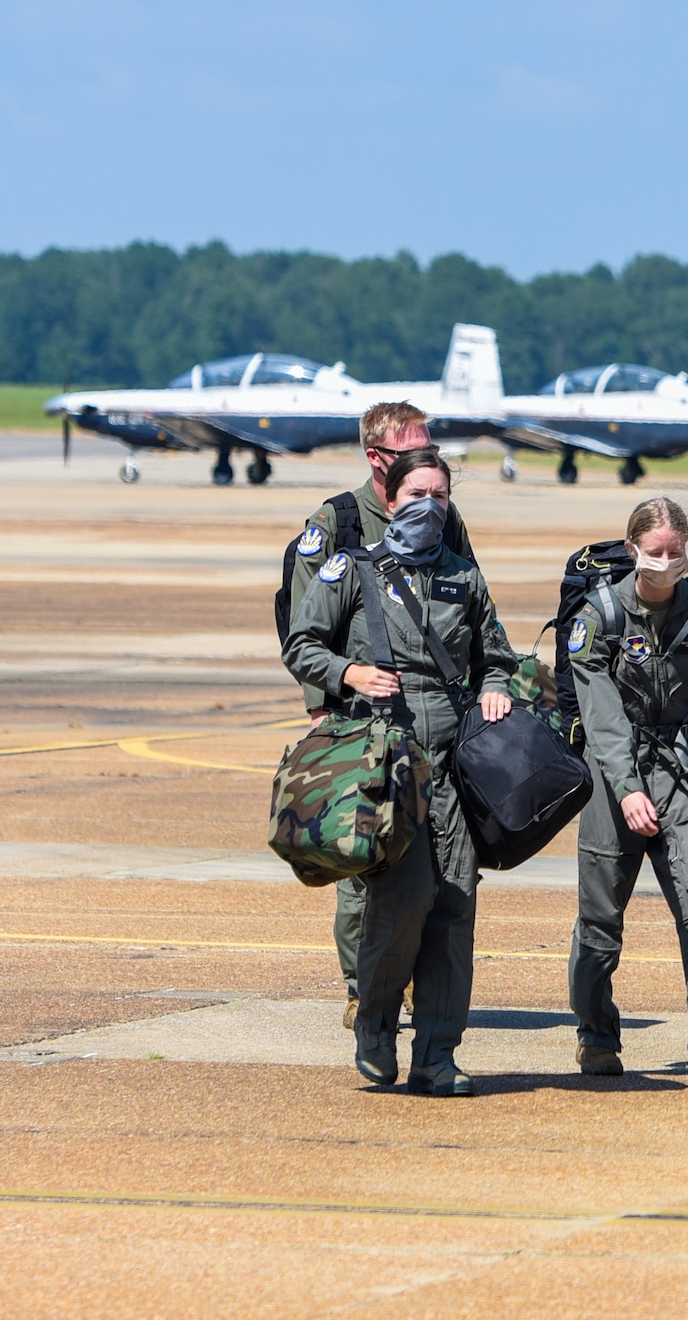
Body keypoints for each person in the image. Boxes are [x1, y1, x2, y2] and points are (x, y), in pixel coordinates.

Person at [283, 447, 517, 1096]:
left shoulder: (464, 577)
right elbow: (301, 643)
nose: (431, 505)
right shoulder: (351, 570)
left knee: (454, 905)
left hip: (451, 768)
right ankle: (377, 1026)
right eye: (418, 492)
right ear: (390, 497)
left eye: (441, 494)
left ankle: (438, 1053)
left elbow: (496, 656)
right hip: (384, 767)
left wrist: (496, 688)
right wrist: (348, 673)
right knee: (401, 898)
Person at [287, 401, 475, 1029]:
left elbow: (465, 606)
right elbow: (306, 623)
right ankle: (359, 989)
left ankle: (420, 986)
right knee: (361, 852)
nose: (426, 474)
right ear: (377, 458)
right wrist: (326, 701)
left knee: (438, 867)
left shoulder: (444, 517)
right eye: (409, 455)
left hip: (430, 722)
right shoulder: (337, 523)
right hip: (353, 713)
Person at [567, 496, 688, 1082]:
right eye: (655, 553)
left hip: (676, 775)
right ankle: (596, 1034)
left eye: (677, 552)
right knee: (600, 925)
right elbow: (601, 720)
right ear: (632, 552)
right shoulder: (597, 619)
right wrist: (626, 789)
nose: (667, 562)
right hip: (610, 779)